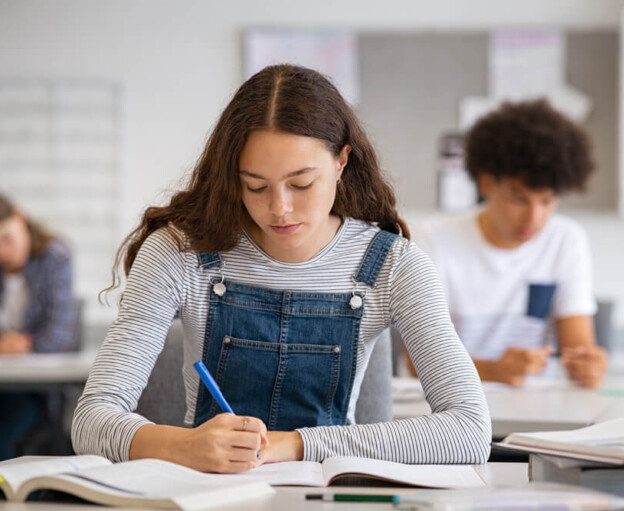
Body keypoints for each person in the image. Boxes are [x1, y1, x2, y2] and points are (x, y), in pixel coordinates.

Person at [72, 64, 491, 473]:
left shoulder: (394, 265)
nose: (279, 208)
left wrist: (295, 444)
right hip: (207, 493)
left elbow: (470, 431)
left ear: (342, 162)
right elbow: (91, 420)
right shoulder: (178, 252)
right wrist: (182, 445)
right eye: (255, 185)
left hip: (328, 495)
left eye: (301, 184)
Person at [415, 100, 607, 389]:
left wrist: (587, 365)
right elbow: (416, 361)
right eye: (520, 199)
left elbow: (577, 347)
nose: (534, 217)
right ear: (486, 184)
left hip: (536, 409)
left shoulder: (565, 240)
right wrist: (494, 370)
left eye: (546, 201)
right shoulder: (434, 241)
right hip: (452, 407)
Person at [0, 194, 76, 460]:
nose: (3, 252)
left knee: (6, 427)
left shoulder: (55, 258)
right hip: (4, 381)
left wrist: (23, 343)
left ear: (20, 218)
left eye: (7, 238)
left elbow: (59, 336)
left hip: (35, 390)